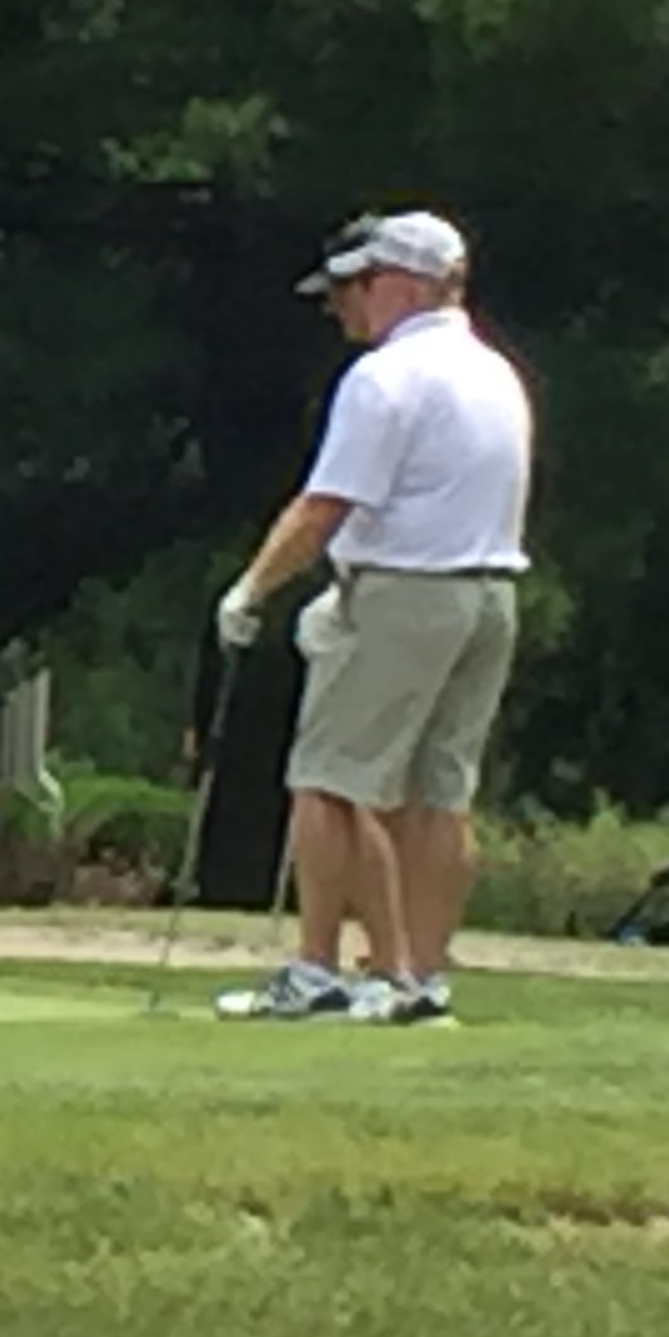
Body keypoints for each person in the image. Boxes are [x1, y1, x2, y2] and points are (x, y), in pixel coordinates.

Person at [211, 211, 531, 1024]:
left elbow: (325, 503)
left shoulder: (386, 377)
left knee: (329, 782)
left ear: (401, 282)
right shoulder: (495, 373)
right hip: (486, 593)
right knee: (437, 795)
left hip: (404, 591)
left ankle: (342, 970)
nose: (340, 305)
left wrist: (251, 589)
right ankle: (420, 975)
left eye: (353, 286)